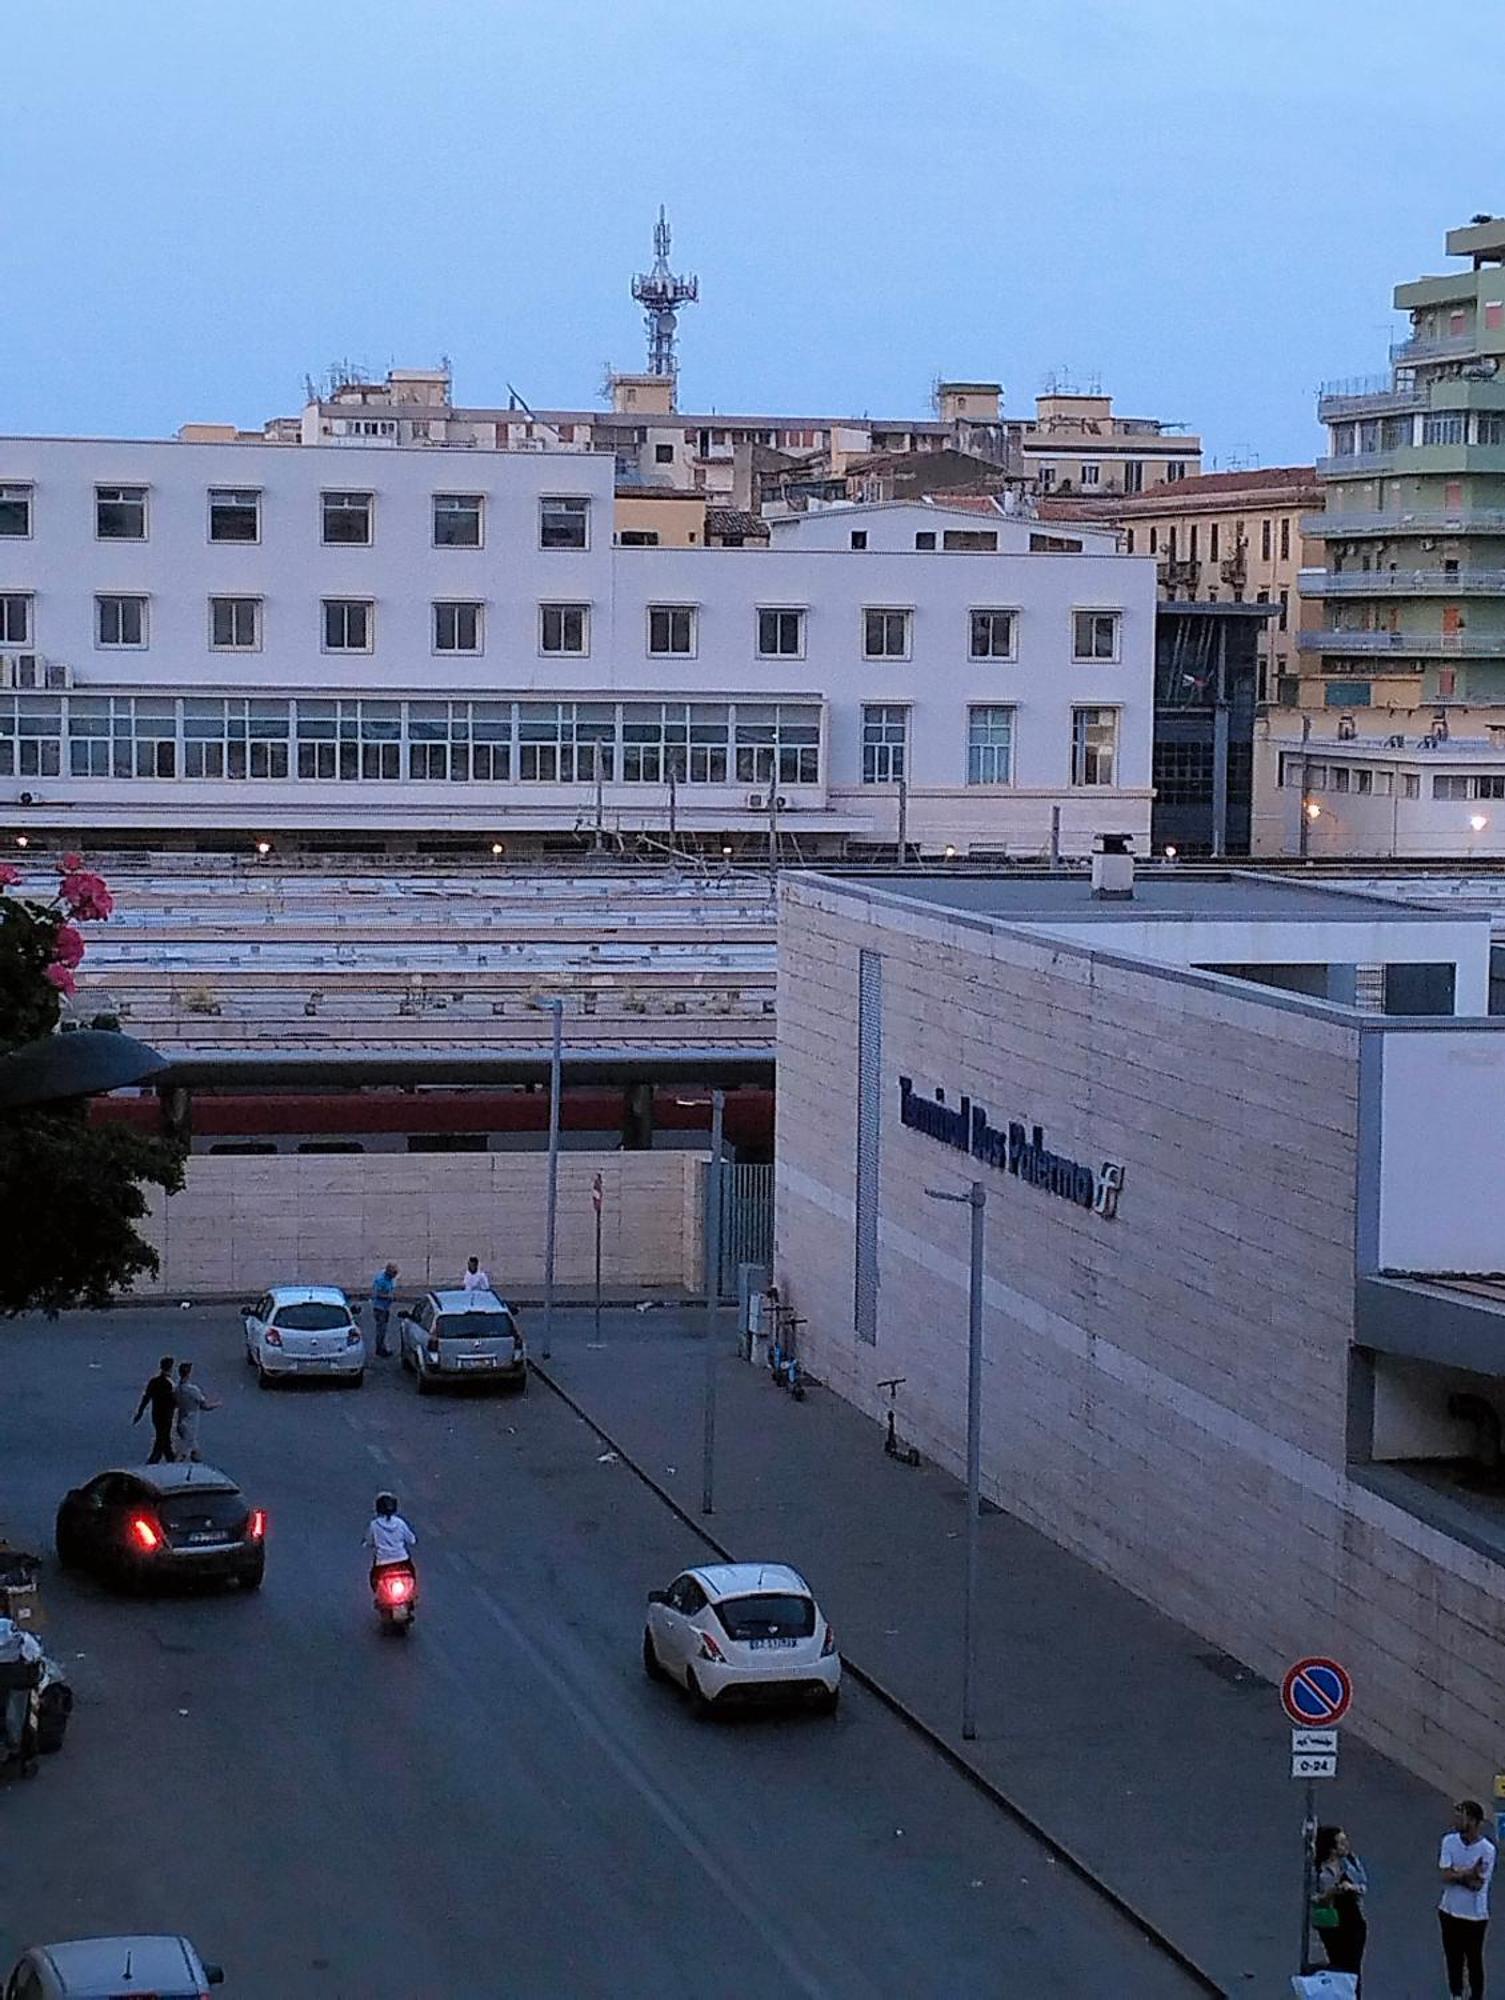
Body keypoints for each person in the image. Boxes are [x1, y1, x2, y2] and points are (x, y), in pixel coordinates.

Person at [1440, 1798, 1496, 2000]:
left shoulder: (1487, 1850)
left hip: (1474, 1915)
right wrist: (1468, 1872)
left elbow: (1477, 1885)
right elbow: (1444, 1875)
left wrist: (1457, 1874)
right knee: (1453, 1958)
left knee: (1473, 1960)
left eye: (1460, 1816)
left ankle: (1476, 1996)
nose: (1455, 1820)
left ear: (1472, 1821)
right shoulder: (1449, 1841)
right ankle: (1456, 1995)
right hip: (1448, 1910)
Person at [1313, 1825, 1368, 1988]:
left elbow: (1363, 1886)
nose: (1346, 1845)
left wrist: (1352, 1887)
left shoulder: (1350, 1861)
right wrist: (1331, 1892)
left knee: (1354, 1968)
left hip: (1354, 1920)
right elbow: (1314, 1898)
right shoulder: (1319, 1868)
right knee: (1337, 1965)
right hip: (1331, 1922)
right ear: (1332, 1848)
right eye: (1341, 1843)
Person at [0, 1615, 43, 1775]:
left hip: (18, 1679)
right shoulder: (24, 1644)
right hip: (22, 1678)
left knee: (19, 1716)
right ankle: (27, 1757)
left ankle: (24, 1755)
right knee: (25, 1718)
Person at [363, 1492, 416, 1588]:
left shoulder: (374, 1525)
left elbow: (369, 1541)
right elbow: (412, 1540)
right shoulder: (400, 1523)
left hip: (382, 1563)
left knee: (374, 1581)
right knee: (412, 1578)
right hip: (402, 1561)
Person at [172, 1361, 219, 1464]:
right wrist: (217, 1404)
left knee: (194, 1449)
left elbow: (175, 1404)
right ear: (189, 1374)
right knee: (184, 1451)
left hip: (181, 1421)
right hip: (190, 1424)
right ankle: (176, 1468)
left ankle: (197, 1464)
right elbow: (205, 1406)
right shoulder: (193, 1390)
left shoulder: (177, 1390)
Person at [133, 1356, 177, 1464]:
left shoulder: (154, 1381)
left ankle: (163, 1459)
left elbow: (146, 1397)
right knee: (164, 1438)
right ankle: (162, 1461)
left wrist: (140, 1412)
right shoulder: (169, 1384)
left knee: (162, 1438)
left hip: (156, 1415)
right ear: (170, 1368)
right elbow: (172, 1401)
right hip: (166, 1415)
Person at [370, 1262, 399, 1358]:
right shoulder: (380, 1280)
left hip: (386, 1307)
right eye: (393, 1274)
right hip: (379, 1308)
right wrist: (388, 1296)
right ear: (388, 1272)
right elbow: (375, 1294)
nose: (395, 1276)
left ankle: (382, 1347)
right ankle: (380, 1349)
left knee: (384, 1329)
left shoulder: (390, 1279)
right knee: (381, 1329)